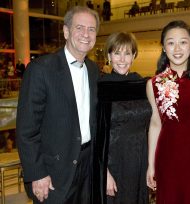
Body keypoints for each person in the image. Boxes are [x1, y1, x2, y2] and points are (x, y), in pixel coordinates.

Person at [16, 6, 100, 204]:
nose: (86, 34)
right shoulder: (41, 69)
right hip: (53, 174)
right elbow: (26, 129)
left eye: (91, 29)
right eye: (79, 28)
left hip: (87, 169)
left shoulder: (93, 69)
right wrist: (37, 174)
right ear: (66, 31)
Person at [146, 20, 190, 204]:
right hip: (167, 158)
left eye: (183, 42)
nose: (177, 48)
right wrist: (151, 164)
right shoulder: (154, 83)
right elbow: (155, 124)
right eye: (170, 42)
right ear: (163, 47)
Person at [93, 32, 151, 204]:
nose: (122, 59)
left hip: (140, 162)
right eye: (117, 53)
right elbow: (96, 133)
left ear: (134, 56)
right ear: (109, 55)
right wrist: (105, 173)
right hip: (114, 164)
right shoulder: (102, 86)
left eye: (127, 53)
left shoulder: (142, 85)